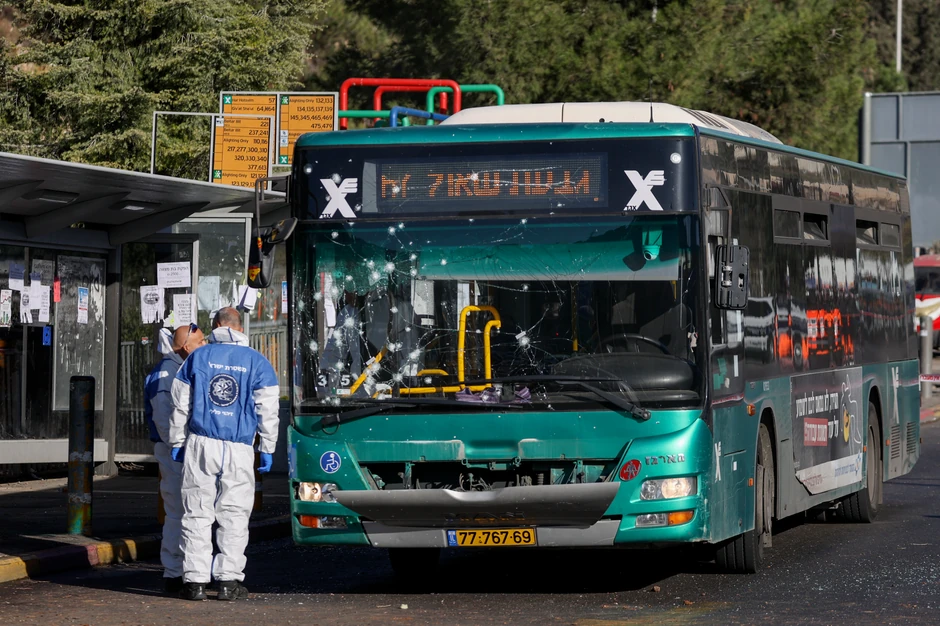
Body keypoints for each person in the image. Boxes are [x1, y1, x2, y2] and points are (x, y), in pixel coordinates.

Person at [169, 307, 280, 601]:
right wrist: (267, 447)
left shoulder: (197, 358)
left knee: (197, 512)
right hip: (239, 447)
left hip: (201, 442)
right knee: (234, 514)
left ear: (216, 325)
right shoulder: (257, 361)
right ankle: (229, 581)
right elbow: (268, 409)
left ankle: (195, 582)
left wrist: (177, 441)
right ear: (239, 327)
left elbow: (180, 403)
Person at [143, 324, 205, 594]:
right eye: (201, 342)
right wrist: (180, 448)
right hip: (175, 451)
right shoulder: (167, 374)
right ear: (186, 347)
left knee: (183, 512)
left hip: (180, 449)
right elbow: (164, 419)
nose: (205, 345)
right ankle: (174, 572)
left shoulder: (176, 369)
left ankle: (179, 570)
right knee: (179, 513)